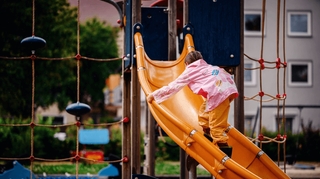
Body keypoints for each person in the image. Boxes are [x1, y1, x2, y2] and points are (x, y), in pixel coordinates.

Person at [147, 51, 238, 147]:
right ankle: (208, 136)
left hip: (217, 94)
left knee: (216, 125)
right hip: (229, 89)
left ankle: (224, 153)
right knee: (204, 115)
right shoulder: (207, 66)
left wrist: (154, 95)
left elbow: (172, 87)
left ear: (186, 64)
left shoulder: (190, 71)